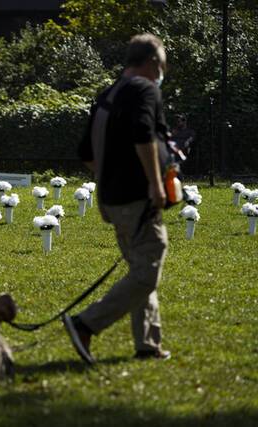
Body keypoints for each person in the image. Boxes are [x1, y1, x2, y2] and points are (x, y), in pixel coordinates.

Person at [66, 33, 171, 364]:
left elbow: (86, 152)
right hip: (138, 198)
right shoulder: (144, 89)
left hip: (112, 198)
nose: (165, 68)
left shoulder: (108, 94)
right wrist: (155, 184)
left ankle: (148, 343)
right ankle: (85, 324)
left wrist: (107, 181)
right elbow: (143, 136)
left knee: (139, 268)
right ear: (153, 62)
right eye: (164, 61)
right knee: (147, 271)